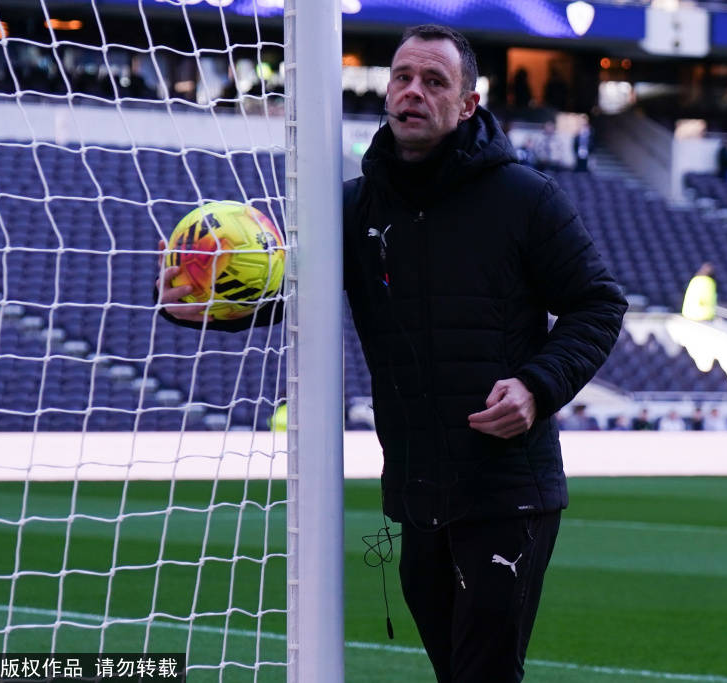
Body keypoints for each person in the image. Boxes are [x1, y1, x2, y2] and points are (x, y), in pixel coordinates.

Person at [156, 23, 627, 683]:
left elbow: (599, 303)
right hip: (417, 493)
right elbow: (292, 298)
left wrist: (535, 385)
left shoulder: (525, 197)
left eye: (434, 81)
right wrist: (200, 303)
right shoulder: (351, 208)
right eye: (402, 77)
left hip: (508, 491)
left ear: (468, 104)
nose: (413, 91)